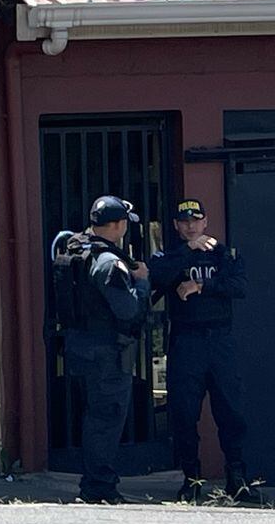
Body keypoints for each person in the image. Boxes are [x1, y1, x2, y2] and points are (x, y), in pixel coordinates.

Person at [150, 198, 258, 504]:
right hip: (186, 341)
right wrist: (188, 251)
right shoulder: (170, 256)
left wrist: (201, 287)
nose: (190, 226)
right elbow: (156, 275)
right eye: (184, 222)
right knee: (184, 413)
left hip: (220, 340)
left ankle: (237, 479)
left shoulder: (223, 254)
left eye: (195, 221)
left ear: (205, 222)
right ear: (175, 226)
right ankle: (191, 479)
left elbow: (239, 286)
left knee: (230, 411)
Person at [62, 195, 151, 505]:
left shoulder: (78, 248)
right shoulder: (110, 263)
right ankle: (99, 487)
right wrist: (141, 283)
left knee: (94, 417)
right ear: (119, 225)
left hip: (81, 347)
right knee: (107, 417)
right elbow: (128, 311)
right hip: (106, 351)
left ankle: (95, 482)